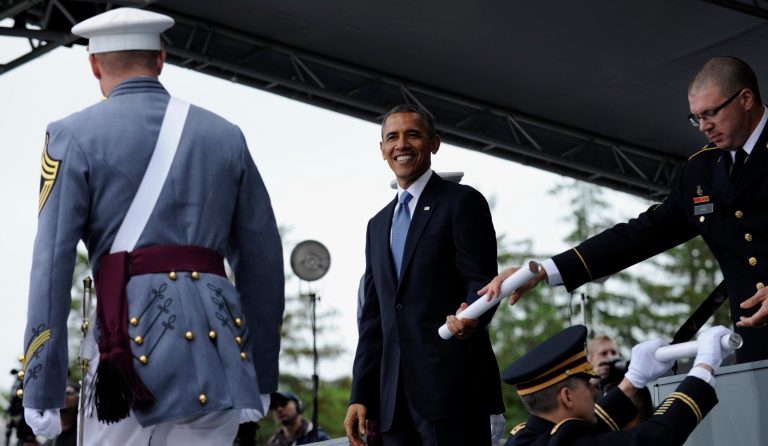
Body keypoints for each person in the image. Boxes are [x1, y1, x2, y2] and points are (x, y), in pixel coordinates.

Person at [20, 7, 284, 445]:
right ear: (161, 58)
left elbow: (51, 265)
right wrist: (260, 373)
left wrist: (42, 385)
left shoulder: (70, 134)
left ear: (94, 65)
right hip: (217, 353)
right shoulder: (226, 134)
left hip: (123, 349)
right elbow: (263, 263)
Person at [483, 56, 768, 363]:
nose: (703, 127)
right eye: (696, 117)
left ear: (746, 99)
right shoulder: (701, 170)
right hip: (755, 343)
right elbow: (642, 235)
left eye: (711, 113)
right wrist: (546, 270)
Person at [344, 104, 504, 445]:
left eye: (412, 135)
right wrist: (361, 394)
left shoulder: (462, 202)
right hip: (391, 402)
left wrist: (471, 315)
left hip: (452, 390)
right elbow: (373, 318)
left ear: (434, 143)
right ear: (382, 149)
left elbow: (481, 280)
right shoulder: (377, 224)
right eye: (392, 137)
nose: (401, 144)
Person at [503, 324, 730, 445]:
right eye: (587, 384)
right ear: (567, 397)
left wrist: (632, 381)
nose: (594, 390)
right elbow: (655, 438)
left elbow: (578, 432)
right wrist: (704, 366)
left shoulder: (523, 436)